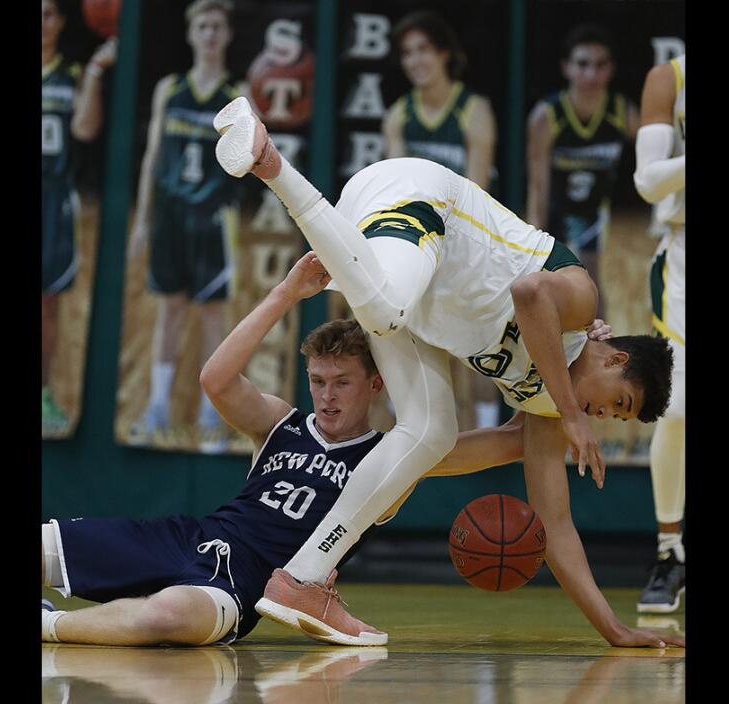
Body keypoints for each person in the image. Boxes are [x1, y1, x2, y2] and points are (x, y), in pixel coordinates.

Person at [213, 99, 682, 649]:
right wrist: (574, 414)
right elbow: (529, 293)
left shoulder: (546, 407)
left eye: (612, 417)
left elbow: (556, 528)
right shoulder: (580, 302)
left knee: (428, 433)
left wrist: (616, 630)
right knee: (386, 308)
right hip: (423, 201)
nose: (604, 417)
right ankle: (271, 161)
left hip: (402, 278)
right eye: (618, 403)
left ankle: (304, 579)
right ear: (614, 358)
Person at [42, 253, 547, 646]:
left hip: (244, 585)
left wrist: (563, 351)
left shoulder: (397, 455)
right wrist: (286, 293)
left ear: (375, 384)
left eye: (341, 383)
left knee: (169, 616)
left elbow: (513, 439)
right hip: (190, 537)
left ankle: (52, 624)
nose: (326, 396)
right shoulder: (281, 423)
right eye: (318, 381)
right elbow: (216, 379)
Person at [126, 0, 245, 451]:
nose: (210, 33)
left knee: (214, 315)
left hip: (213, 218)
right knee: (168, 311)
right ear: (191, 34)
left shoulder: (238, 91)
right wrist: (142, 219)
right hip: (171, 216)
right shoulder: (169, 88)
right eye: (203, 26)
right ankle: (157, 405)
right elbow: (153, 156)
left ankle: (209, 414)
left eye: (217, 26)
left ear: (228, 35)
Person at [381, 10, 502, 431]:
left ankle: (486, 430)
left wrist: (450, 250)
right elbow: (396, 191)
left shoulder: (474, 110)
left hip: (470, 241)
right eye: (407, 53)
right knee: (414, 339)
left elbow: (477, 193)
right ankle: (413, 430)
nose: (415, 61)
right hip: (420, 243)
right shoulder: (399, 115)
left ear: (444, 54)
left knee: (481, 343)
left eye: (424, 51)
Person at [526, 24, 638, 318]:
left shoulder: (622, 111)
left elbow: (649, 163)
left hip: (596, 213)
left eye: (600, 65)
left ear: (611, 69)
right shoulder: (547, 116)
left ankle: (603, 352)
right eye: (582, 64)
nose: (591, 74)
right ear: (566, 67)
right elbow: (537, 185)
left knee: (595, 287)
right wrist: (532, 239)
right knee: (552, 289)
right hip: (557, 213)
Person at [41, 0, 114, 434]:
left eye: (48, 14)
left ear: (61, 23)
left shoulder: (69, 78)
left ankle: (44, 394)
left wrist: (94, 74)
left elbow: (85, 130)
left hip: (52, 200)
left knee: (47, 307)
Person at [632, 54, 686, 613]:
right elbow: (648, 181)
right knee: (674, 410)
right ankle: (671, 551)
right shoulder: (670, 77)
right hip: (683, 258)